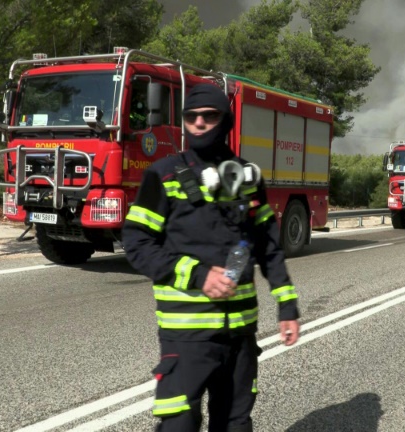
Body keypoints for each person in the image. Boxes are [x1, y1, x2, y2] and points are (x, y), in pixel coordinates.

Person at [122, 83, 300, 432]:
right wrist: (198, 275)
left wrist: (288, 306)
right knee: (179, 425)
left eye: (209, 116)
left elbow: (268, 246)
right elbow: (137, 242)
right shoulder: (163, 175)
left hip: (240, 337)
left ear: (226, 121)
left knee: (235, 424)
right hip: (186, 337)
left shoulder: (247, 177)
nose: (200, 123)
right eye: (192, 117)